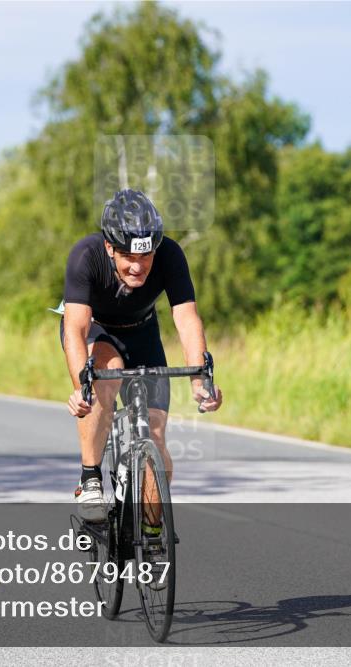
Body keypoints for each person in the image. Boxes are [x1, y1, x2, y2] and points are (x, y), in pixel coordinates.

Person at [60, 189, 223, 524]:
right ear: (109, 247)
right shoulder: (85, 255)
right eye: (127, 258)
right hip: (96, 330)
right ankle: (91, 478)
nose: (137, 267)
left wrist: (199, 380)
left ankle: (151, 533)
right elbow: (74, 327)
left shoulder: (171, 255)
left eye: (145, 256)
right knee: (110, 373)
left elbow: (186, 317)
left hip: (142, 331)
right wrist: (82, 386)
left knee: (156, 435)